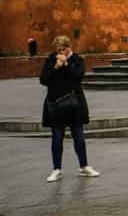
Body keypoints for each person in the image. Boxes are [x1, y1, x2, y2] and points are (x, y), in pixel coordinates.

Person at [41, 35, 96, 182]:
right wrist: (56, 67)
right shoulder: (51, 59)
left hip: (74, 105)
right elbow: (43, 79)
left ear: (69, 47)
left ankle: (84, 166)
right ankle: (57, 169)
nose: (60, 52)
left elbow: (78, 77)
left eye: (63, 49)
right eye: (58, 49)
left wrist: (65, 65)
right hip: (56, 104)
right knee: (57, 138)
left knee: (79, 137)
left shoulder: (77, 59)